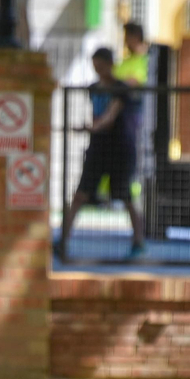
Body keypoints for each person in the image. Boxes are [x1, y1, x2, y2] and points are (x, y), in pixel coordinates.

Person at [57, 47, 144, 263]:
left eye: (100, 65)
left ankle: (138, 241)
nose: (97, 70)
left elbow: (110, 115)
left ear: (109, 64)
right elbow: (97, 115)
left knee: (125, 196)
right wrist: (90, 128)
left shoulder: (120, 88)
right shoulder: (93, 88)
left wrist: (92, 127)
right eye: (94, 66)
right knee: (80, 195)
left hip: (120, 150)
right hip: (97, 150)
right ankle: (63, 241)